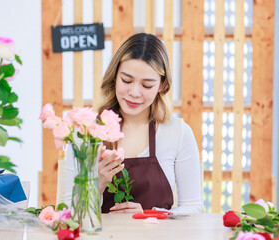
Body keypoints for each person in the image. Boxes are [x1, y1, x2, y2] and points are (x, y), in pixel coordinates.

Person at [64, 33, 202, 214]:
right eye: (126, 80)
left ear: (162, 85)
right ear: (114, 76)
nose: (135, 92)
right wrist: (96, 183)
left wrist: (149, 215)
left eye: (147, 85)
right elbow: (68, 213)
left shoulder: (178, 132)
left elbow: (193, 208)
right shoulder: (86, 132)